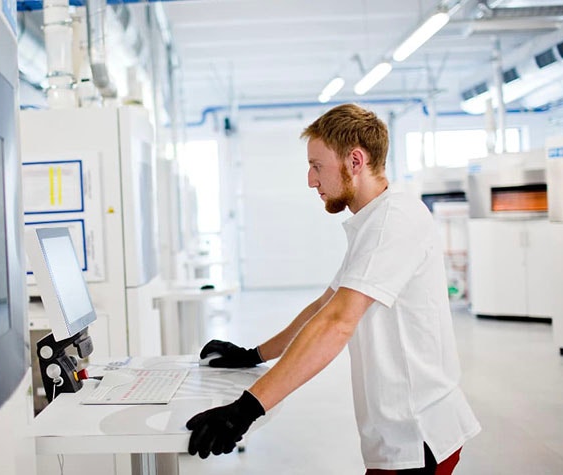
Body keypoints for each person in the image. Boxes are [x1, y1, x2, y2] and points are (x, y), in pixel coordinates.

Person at [185, 104, 481, 474]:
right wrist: (253, 355)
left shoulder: (394, 221)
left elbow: (338, 323)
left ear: (355, 161)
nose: (311, 180)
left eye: (317, 166)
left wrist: (246, 409)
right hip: (400, 429)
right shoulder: (375, 220)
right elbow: (325, 306)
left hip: (417, 432)